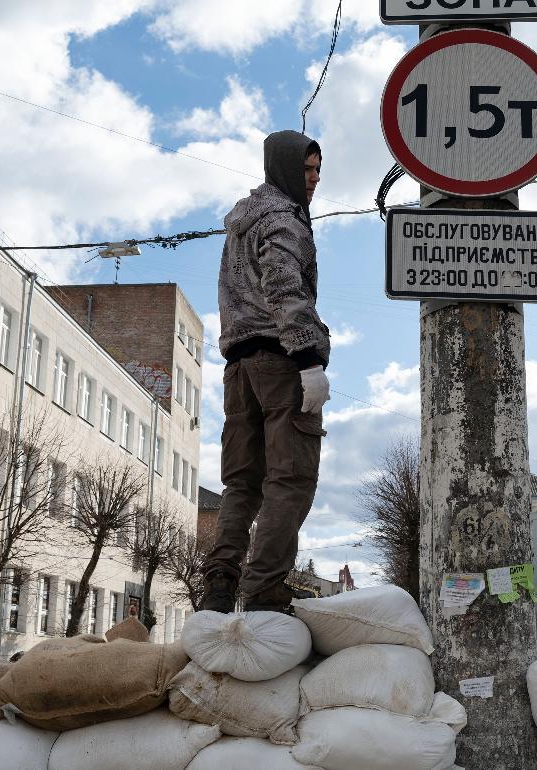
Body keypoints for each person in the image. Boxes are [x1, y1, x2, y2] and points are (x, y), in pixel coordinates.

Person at [200, 129, 331, 614]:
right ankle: (263, 589)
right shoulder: (284, 221)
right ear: (281, 168)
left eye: (317, 170)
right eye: (305, 169)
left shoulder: (243, 220)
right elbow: (281, 285)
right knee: (290, 478)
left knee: (243, 484)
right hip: (280, 363)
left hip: (238, 369)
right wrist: (308, 360)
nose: (313, 179)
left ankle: (219, 586)